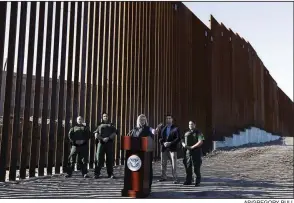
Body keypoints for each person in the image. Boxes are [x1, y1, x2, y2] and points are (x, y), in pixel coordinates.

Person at [129, 114, 159, 189]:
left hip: (146, 153)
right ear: (138, 120)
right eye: (141, 119)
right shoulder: (134, 129)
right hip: (137, 153)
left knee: (147, 170)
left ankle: (147, 186)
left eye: (144, 119)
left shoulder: (148, 128)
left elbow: (153, 131)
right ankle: (138, 185)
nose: (142, 121)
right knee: (138, 170)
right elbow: (130, 139)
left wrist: (155, 130)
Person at [157, 114, 181, 183]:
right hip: (164, 148)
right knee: (163, 163)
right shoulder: (163, 128)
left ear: (172, 119)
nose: (168, 120)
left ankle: (175, 178)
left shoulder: (176, 128)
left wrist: (170, 143)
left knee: (173, 164)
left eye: (169, 118)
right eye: (167, 118)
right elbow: (159, 138)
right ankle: (163, 177)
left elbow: (178, 138)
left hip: (172, 148)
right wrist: (163, 143)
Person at [94, 113, 118, 179]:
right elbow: (96, 134)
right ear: (102, 117)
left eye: (106, 116)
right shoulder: (99, 125)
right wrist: (102, 139)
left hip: (109, 143)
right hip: (101, 143)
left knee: (110, 159)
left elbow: (114, 133)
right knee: (99, 158)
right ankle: (97, 174)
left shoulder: (111, 125)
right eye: (104, 116)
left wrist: (108, 138)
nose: (105, 117)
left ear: (108, 117)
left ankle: (110, 174)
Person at [182, 121, 204, 186]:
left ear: (195, 125)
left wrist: (193, 147)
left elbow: (201, 141)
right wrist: (183, 144)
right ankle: (188, 180)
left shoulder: (198, 132)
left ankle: (197, 181)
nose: (190, 125)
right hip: (187, 152)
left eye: (192, 124)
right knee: (188, 167)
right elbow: (182, 140)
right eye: (189, 124)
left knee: (196, 167)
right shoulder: (186, 132)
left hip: (196, 152)